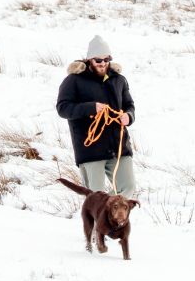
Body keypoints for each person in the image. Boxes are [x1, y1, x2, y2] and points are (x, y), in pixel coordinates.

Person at [56, 35, 136, 198]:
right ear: (90, 59)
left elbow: (129, 105)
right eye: (98, 60)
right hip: (90, 149)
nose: (103, 63)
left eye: (106, 59)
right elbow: (62, 108)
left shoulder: (119, 80)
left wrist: (129, 116)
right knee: (95, 196)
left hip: (118, 145)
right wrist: (90, 108)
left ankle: (110, 215)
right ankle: (99, 219)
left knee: (128, 188)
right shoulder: (73, 80)